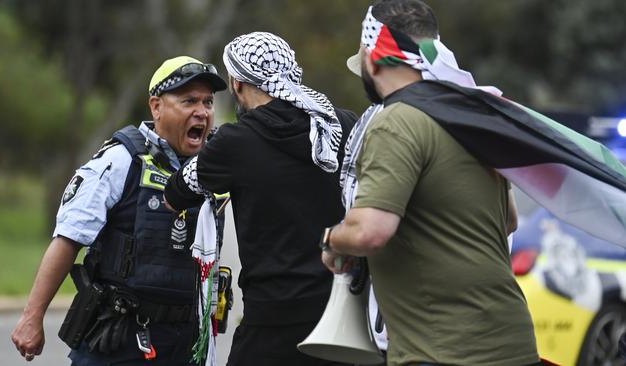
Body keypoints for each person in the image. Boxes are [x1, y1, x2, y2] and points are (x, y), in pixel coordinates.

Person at [320, 1, 541, 365]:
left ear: (373, 58)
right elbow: (509, 221)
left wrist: (331, 239)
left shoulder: (396, 121)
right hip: (512, 342)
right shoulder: (471, 115)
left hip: (443, 350)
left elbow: (369, 233)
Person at [11, 56, 227, 366]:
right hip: (120, 340)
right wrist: (33, 317)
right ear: (156, 106)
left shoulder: (214, 170)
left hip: (187, 344)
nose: (202, 112)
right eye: (189, 100)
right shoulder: (120, 160)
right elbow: (69, 237)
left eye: (208, 102)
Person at [164, 32, 357, 366]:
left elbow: (174, 195)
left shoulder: (235, 142)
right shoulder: (340, 124)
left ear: (237, 83)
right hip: (342, 313)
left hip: (272, 317)